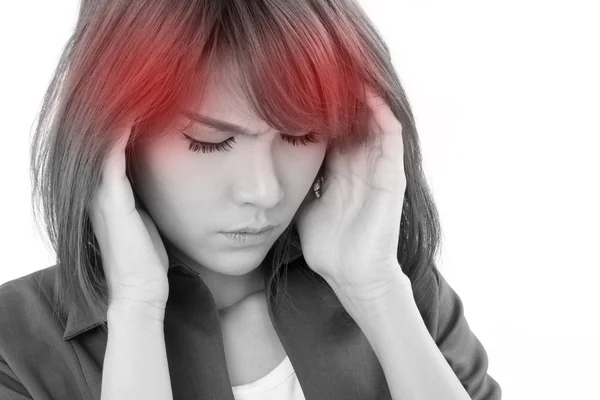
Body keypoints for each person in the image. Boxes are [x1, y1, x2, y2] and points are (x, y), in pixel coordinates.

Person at [0, 0, 502, 399]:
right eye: (209, 141)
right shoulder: (16, 344)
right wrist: (134, 310)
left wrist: (375, 293)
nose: (264, 190)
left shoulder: (404, 292)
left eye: (303, 135)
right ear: (112, 138)